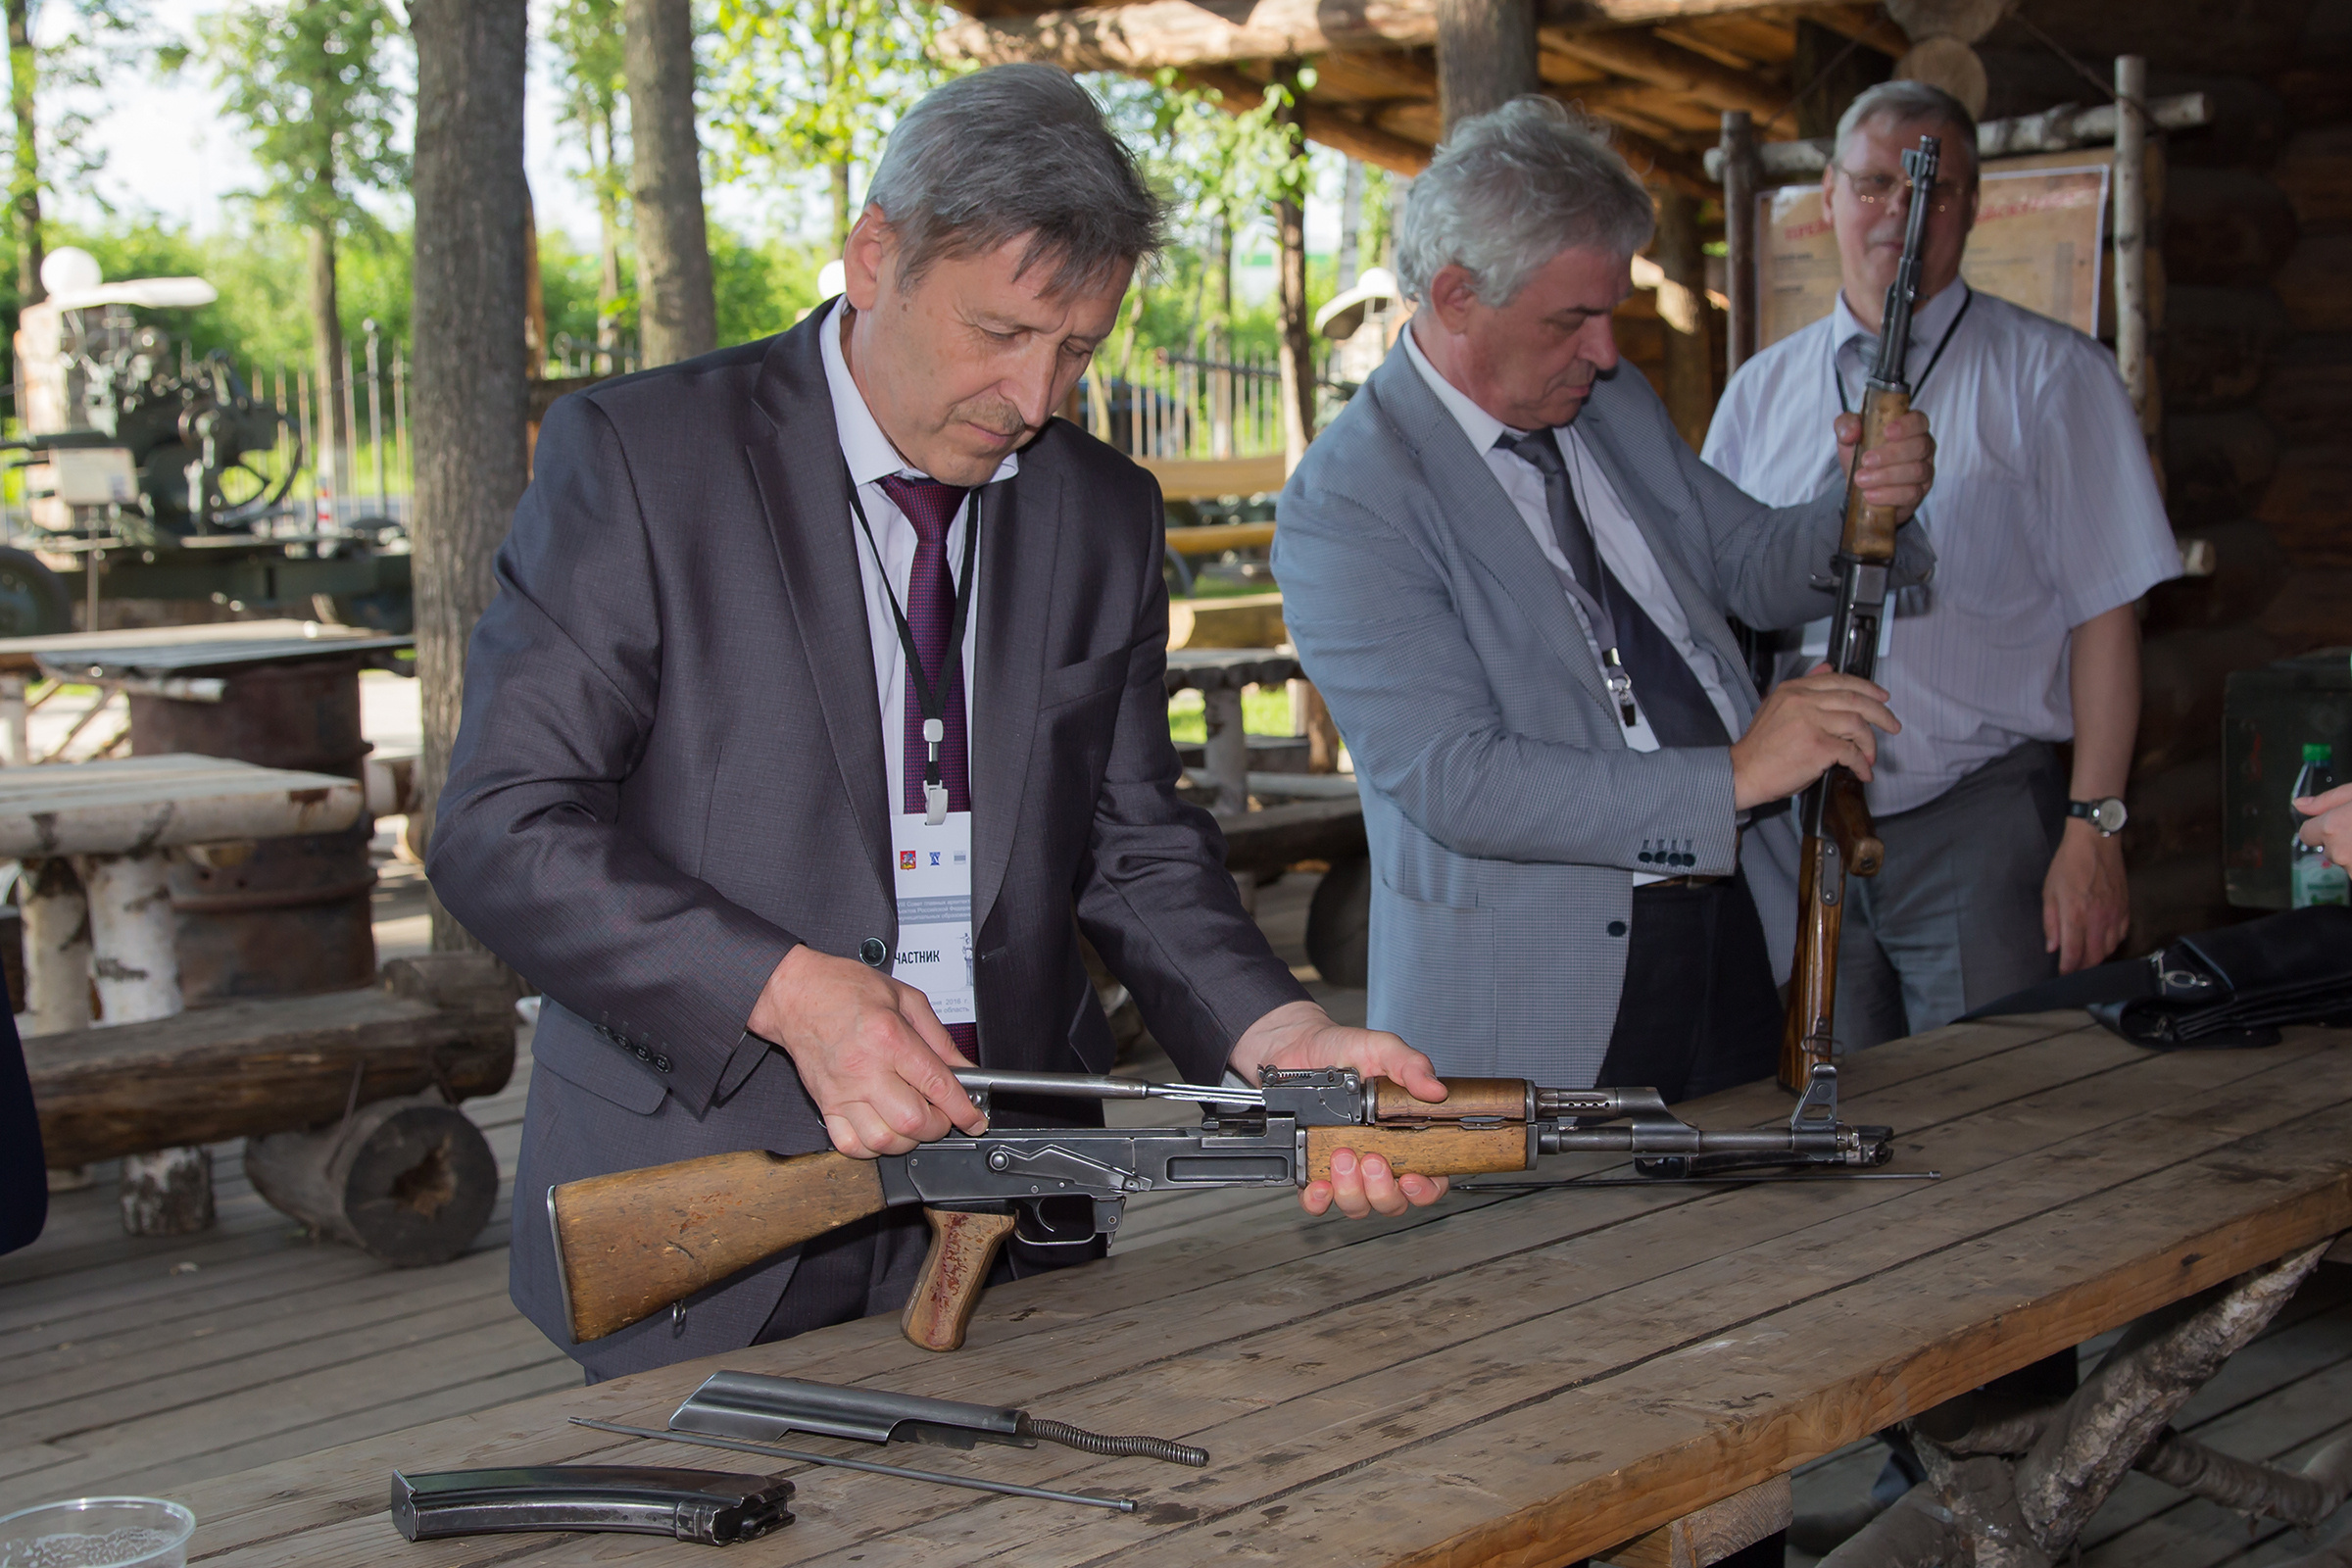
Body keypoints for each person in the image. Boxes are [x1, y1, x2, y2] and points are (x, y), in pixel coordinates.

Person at [429, 65, 1446, 1382]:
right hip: (702, 1181)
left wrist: (1280, 1036)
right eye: (1001, 334)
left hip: (1020, 1199)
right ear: (874, 259)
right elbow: (501, 828)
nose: (1037, 400)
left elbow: (1134, 844)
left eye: (1078, 350)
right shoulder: (638, 459)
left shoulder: (1102, 512)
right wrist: (785, 993)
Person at [1272, 96, 1936, 1102]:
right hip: (1542, 994)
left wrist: (1864, 504)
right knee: (1564, 1264)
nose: (1607, 351)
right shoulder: (1347, 500)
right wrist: (1736, 778)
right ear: (1455, 295)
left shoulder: (1607, 401)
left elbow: (1750, 560)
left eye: (1609, 311)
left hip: (1735, 926)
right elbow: (1458, 780)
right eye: (1571, 319)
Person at [1704, 80, 2182, 1049]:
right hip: (1796, 831)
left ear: (1972, 204)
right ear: (1828, 195)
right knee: (1823, 1130)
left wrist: (2096, 826)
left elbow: (2107, 617)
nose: (1899, 212)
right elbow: (1713, 600)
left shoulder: (2055, 377)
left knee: (1996, 1121)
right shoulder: (1760, 392)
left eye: (1936, 189)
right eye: (1873, 183)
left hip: (1978, 821)